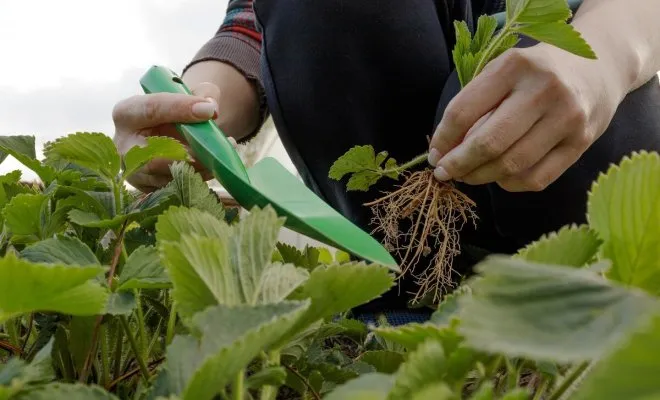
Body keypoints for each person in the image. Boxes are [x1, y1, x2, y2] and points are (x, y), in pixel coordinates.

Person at [113, 0, 660, 317]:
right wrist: (194, 109)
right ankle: (406, 290)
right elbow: (255, 27)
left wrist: (603, 59)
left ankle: (595, 294)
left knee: (515, 42)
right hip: (394, 209)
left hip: (591, 134)